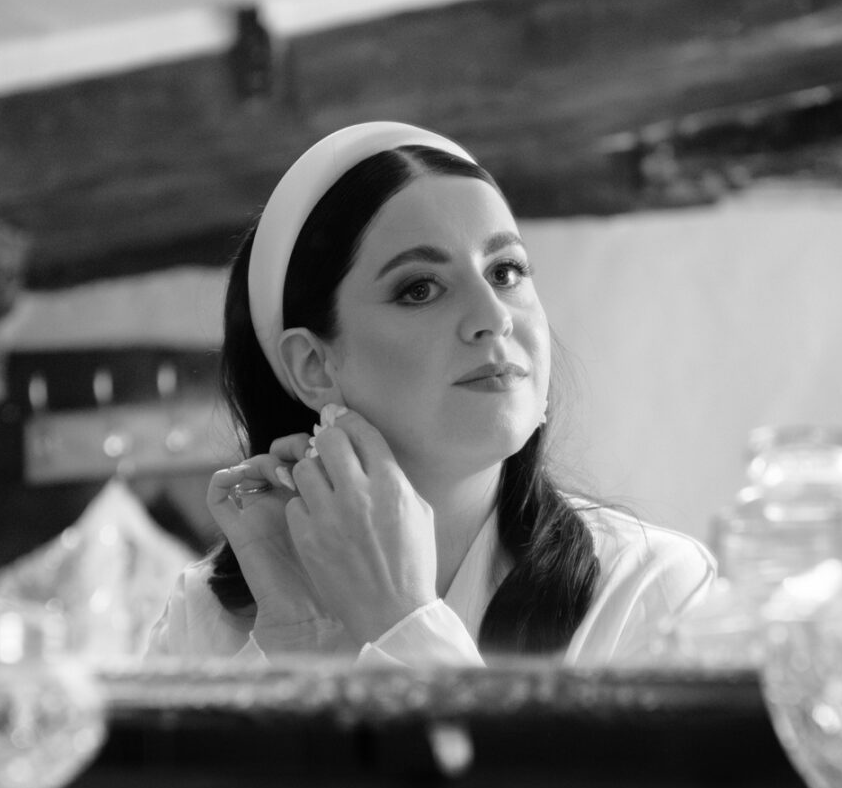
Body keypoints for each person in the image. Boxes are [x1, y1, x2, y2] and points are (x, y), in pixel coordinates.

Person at [143, 121, 719, 667]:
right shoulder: (207, 620)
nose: (493, 317)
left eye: (506, 272)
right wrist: (302, 643)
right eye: (420, 288)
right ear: (314, 365)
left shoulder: (651, 588)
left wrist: (402, 619)